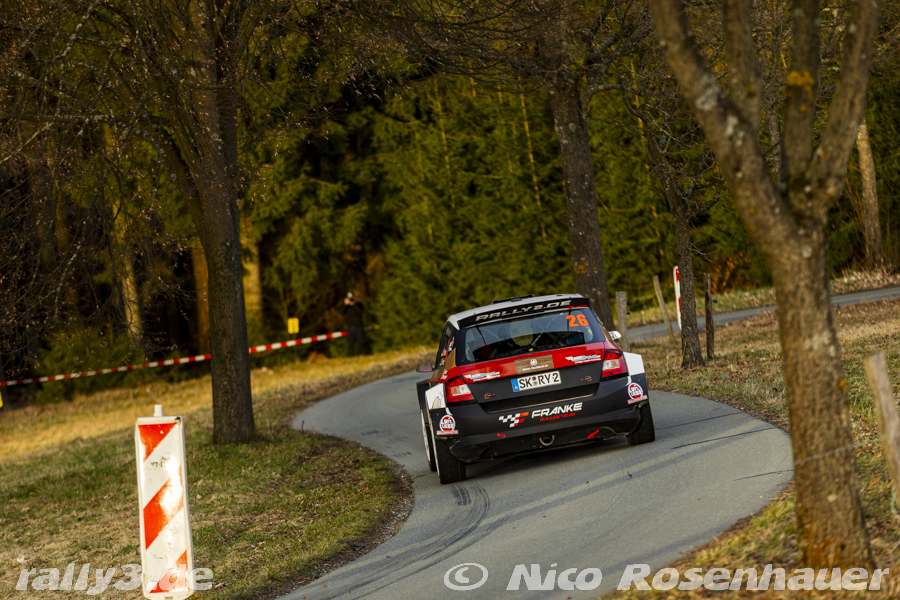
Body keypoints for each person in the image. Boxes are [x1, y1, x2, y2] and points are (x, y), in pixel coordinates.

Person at [341, 292, 365, 356]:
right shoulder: (347, 307)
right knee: (350, 344)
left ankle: (362, 355)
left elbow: (360, 311)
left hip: (358, 327)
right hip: (350, 328)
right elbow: (342, 312)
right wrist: (346, 304)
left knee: (360, 343)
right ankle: (351, 356)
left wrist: (354, 303)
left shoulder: (358, 305)